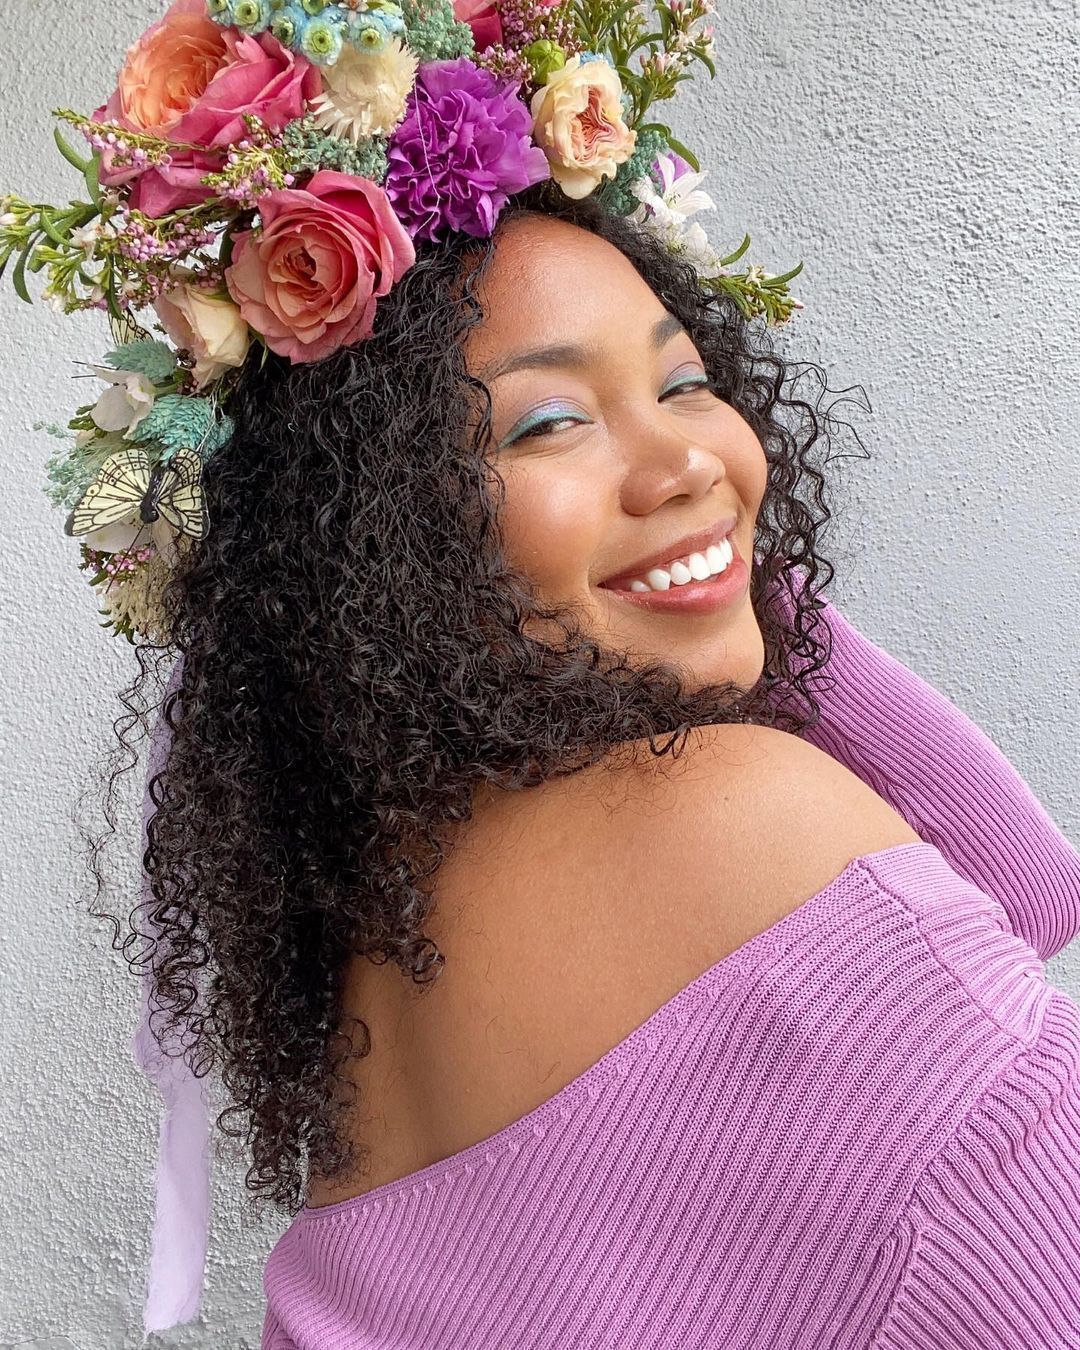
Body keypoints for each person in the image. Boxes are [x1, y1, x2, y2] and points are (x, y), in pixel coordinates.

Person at [134, 185, 1080, 1346]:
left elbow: (1025, 892)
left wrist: (700, 559)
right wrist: (701, 555)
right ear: (368, 528)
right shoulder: (734, 825)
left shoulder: (383, 975)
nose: (684, 458)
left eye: (685, 384)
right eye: (549, 423)